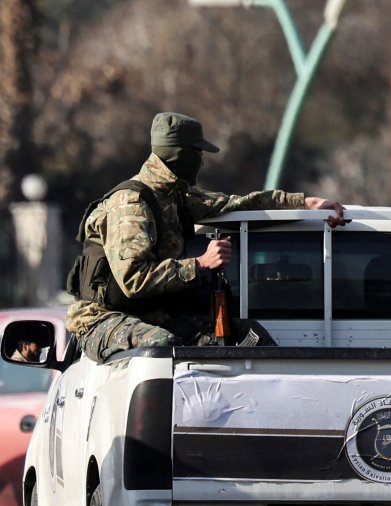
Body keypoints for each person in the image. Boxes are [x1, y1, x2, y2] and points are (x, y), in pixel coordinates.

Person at [66, 112, 346, 362]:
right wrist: (200, 263)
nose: (201, 161)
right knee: (161, 350)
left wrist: (303, 203)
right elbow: (133, 280)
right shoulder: (131, 206)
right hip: (103, 320)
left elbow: (237, 205)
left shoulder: (175, 197)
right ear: (180, 155)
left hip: (153, 316)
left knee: (246, 338)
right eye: (197, 153)